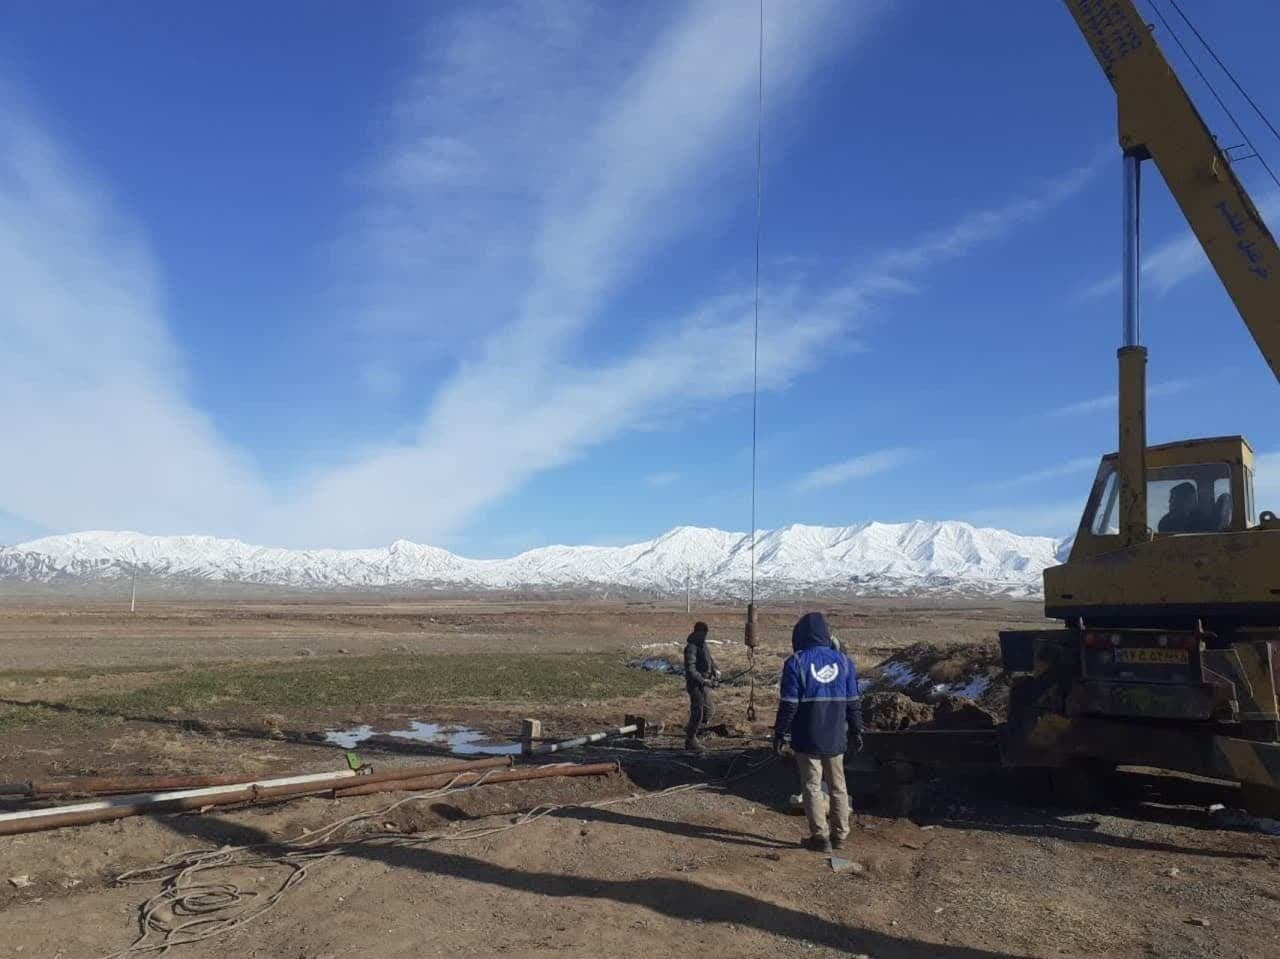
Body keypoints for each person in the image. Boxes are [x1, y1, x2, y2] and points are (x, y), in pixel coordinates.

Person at [774, 611, 863, 853]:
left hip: (806, 737)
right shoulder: (844, 662)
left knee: (812, 786)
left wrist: (780, 733)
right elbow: (854, 701)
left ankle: (820, 837)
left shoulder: (796, 662)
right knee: (838, 785)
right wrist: (857, 729)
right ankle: (841, 835)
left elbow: (789, 704)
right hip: (835, 736)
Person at [683, 621, 719, 751]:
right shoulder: (691, 647)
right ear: (696, 632)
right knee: (697, 712)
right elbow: (690, 670)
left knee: (709, 710)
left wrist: (716, 671)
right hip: (695, 686)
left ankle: (696, 732)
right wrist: (703, 680)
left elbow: (710, 661)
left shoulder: (703, 645)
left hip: (704, 684)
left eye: (705, 634)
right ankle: (690, 740)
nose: (704, 637)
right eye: (702, 634)